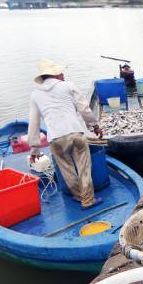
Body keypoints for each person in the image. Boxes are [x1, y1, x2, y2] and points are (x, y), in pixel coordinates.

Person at [28, 59, 103, 209]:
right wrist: (95, 126)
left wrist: (34, 149)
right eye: (60, 73)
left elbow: (34, 123)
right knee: (84, 168)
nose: (63, 75)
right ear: (55, 75)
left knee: (67, 169)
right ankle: (88, 200)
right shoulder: (68, 86)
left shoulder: (35, 95)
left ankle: (79, 196)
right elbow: (84, 109)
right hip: (75, 133)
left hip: (55, 138)